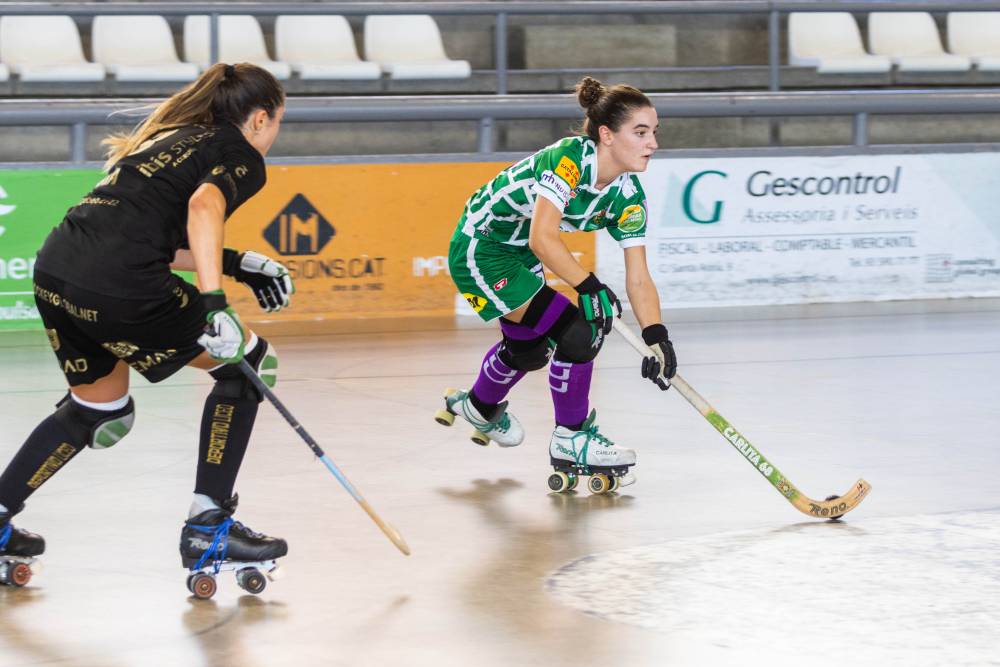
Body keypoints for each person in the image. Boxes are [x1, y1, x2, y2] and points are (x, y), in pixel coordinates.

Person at [0, 63, 293, 588]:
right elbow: (206, 206)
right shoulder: (237, 152)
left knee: (100, 409)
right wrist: (213, 302)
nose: (273, 137)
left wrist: (236, 261)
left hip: (56, 269)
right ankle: (209, 527)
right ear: (259, 119)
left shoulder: (170, 138)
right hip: (119, 281)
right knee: (247, 364)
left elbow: (138, 233)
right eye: (276, 125)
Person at [437, 76, 678, 489]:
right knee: (579, 332)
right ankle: (572, 436)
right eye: (640, 132)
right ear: (606, 135)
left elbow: (638, 276)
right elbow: (543, 237)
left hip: (520, 254)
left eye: (653, 132)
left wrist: (657, 336)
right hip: (483, 247)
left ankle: (478, 407)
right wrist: (589, 287)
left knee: (530, 352)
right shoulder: (568, 161)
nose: (652, 143)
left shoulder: (629, 195)